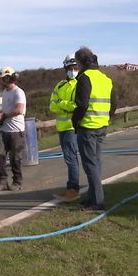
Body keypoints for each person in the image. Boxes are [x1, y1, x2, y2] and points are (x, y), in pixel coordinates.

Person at [71, 47, 116, 211]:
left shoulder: (84, 77)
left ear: (80, 61)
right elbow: (114, 104)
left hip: (88, 126)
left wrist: (75, 121)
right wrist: (106, 118)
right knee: (95, 162)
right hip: (102, 125)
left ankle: (97, 201)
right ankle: (91, 197)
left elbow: (82, 104)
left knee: (90, 164)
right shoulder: (106, 78)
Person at [50, 54, 80, 202]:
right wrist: (64, 105)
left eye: (75, 67)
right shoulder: (60, 85)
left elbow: (76, 106)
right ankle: (71, 187)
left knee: (71, 158)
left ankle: (73, 189)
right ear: (66, 68)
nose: (73, 70)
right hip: (61, 127)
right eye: (70, 68)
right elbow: (52, 105)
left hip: (71, 127)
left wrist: (61, 104)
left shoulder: (79, 84)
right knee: (68, 158)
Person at [0, 66, 26, 192]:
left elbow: (19, 109)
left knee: (15, 158)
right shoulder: (5, 92)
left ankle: (17, 182)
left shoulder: (18, 92)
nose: (1, 81)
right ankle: (2, 181)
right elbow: (6, 108)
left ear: (7, 78)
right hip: (5, 129)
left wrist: (5, 115)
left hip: (16, 131)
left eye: (2, 79)